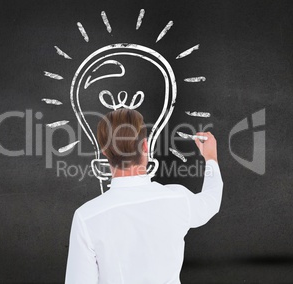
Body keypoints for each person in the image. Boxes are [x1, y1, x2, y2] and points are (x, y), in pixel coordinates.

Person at [65, 109, 223, 284]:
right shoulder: (178, 199)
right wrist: (211, 158)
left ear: (105, 152)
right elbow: (211, 201)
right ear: (146, 146)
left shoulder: (87, 217)